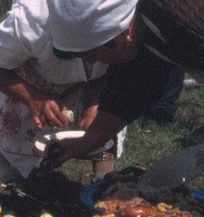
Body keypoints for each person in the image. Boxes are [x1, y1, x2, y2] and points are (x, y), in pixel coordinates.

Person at [42, 0, 204, 170]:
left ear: (123, 33)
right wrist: (87, 141)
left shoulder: (187, 20)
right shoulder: (139, 27)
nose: (91, 62)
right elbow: (129, 92)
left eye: (95, 54)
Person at [0, 0, 126, 181]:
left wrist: (95, 101)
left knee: (104, 125)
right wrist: (35, 99)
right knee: (12, 160)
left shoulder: (122, 19)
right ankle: (6, 175)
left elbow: (120, 69)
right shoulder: (29, 22)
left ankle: (103, 186)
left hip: (96, 82)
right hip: (36, 81)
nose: (88, 58)